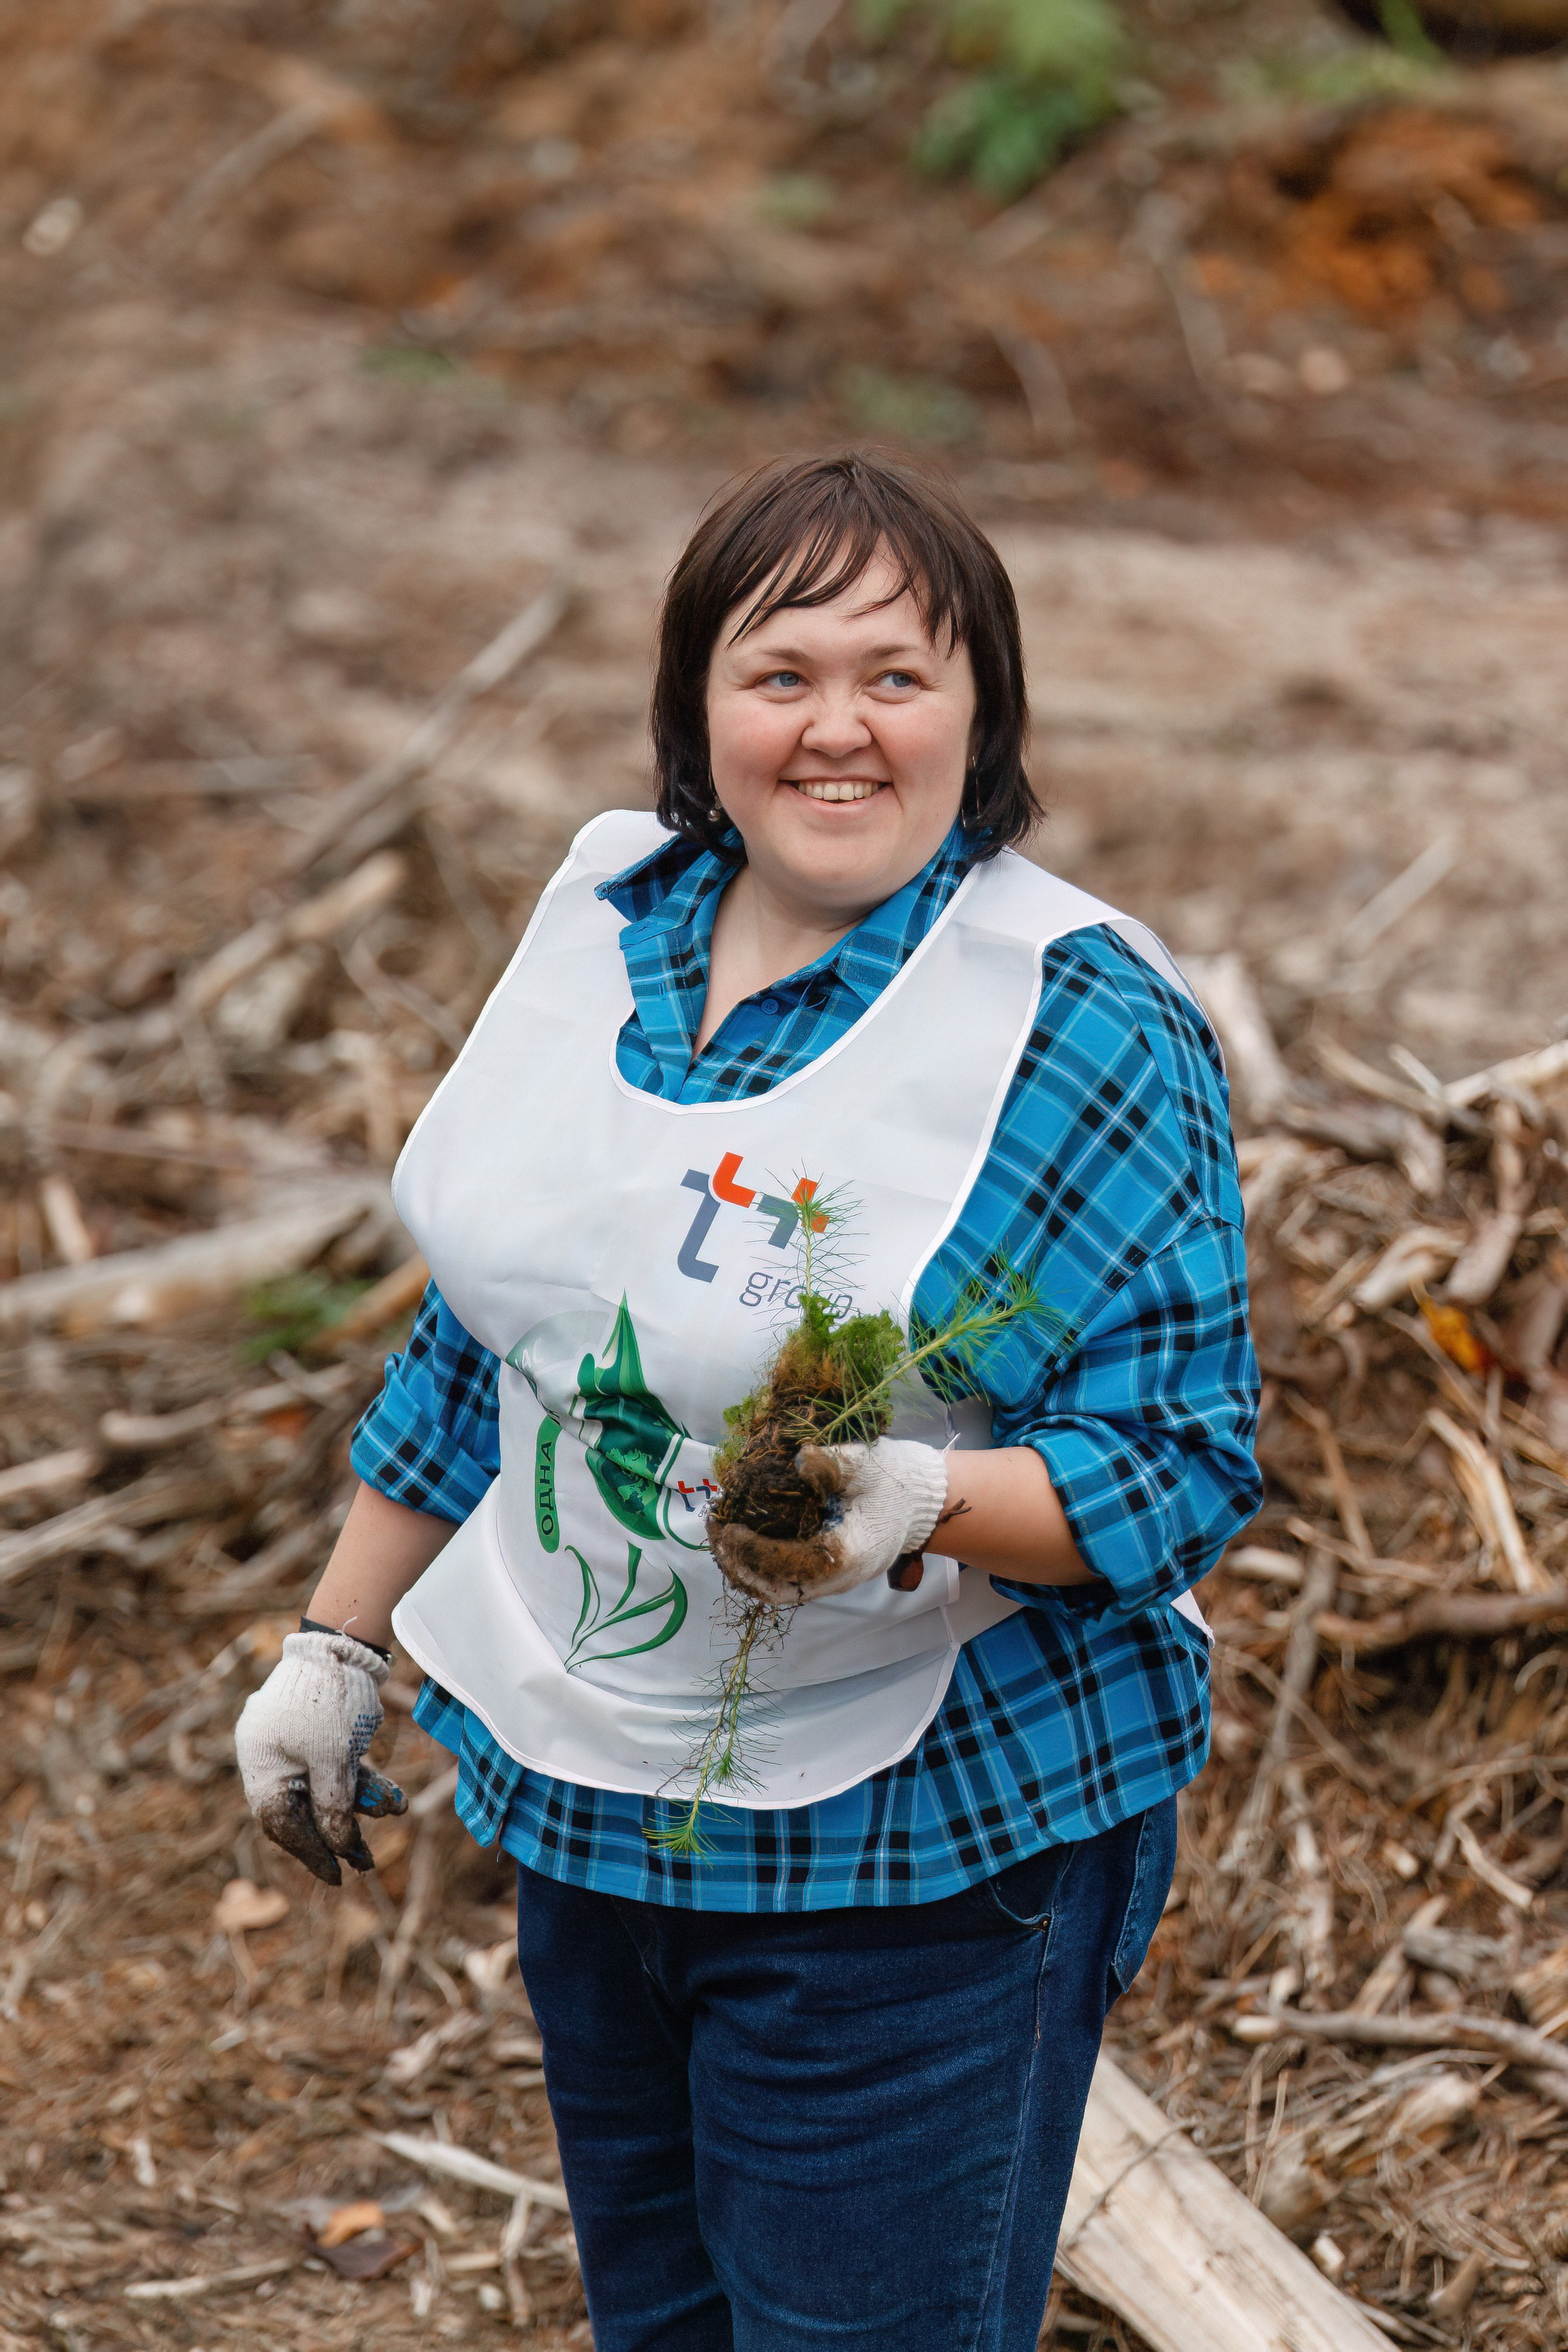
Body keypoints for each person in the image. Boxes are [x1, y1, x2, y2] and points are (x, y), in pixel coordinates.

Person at [237, 451, 1260, 2351]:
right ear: (699, 710)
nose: (839, 730)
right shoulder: (610, 934)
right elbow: (498, 1332)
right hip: (598, 1814)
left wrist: (919, 1504)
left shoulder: (1075, 1020)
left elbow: (1183, 1462)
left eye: (899, 675)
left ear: (987, 714)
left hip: (925, 1851)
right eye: (782, 673)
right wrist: (339, 1640)